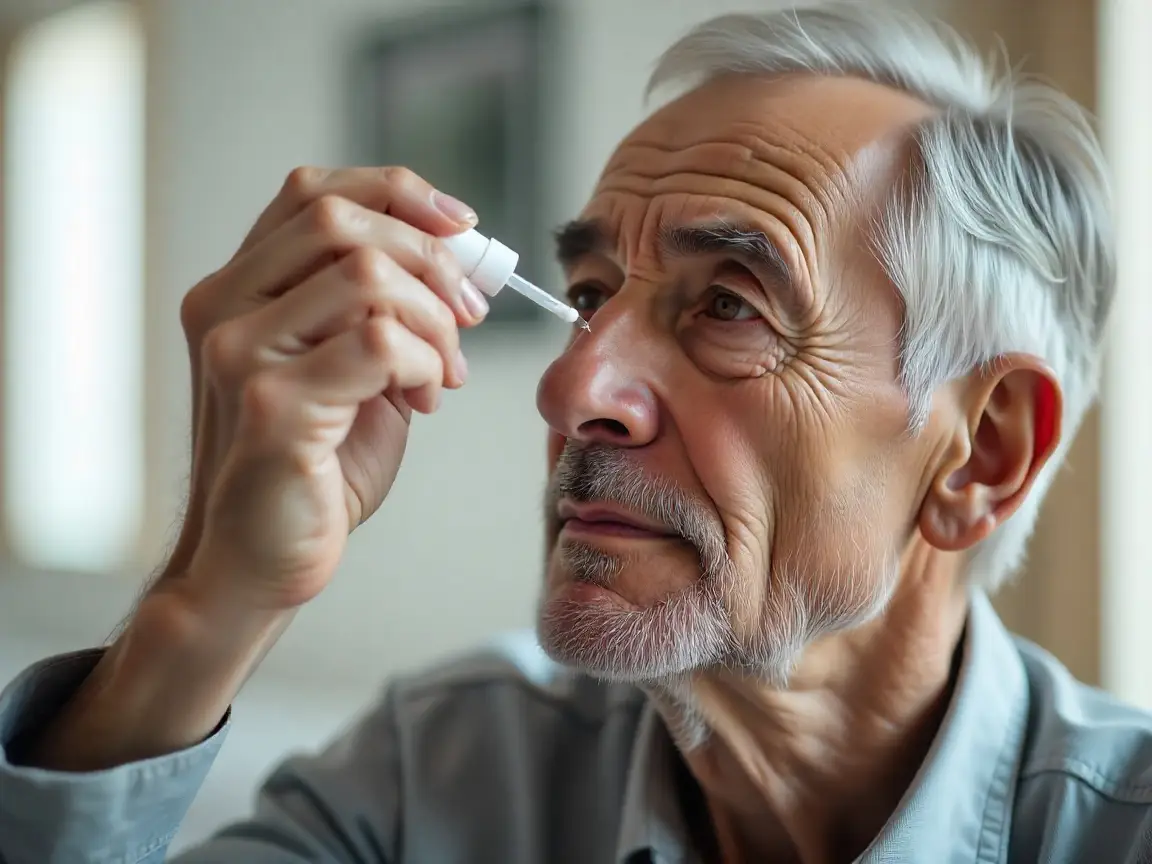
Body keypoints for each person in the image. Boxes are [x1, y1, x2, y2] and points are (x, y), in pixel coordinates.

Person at [0, 3, 1140, 862]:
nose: (571, 388)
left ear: (983, 452)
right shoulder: (439, 776)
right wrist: (213, 595)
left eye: (730, 305)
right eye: (590, 295)